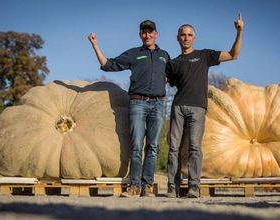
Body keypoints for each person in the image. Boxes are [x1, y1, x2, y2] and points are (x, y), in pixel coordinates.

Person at [88, 20, 170, 197]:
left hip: (158, 104)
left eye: (150, 32)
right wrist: (95, 45)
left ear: (156, 34)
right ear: (140, 35)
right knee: (136, 145)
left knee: (153, 146)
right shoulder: (134, 54)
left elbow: (171, 76)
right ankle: (134, 186)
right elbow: (108, 65)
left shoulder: (164, 55)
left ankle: (147, 186)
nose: (147, 35)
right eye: (143, 32)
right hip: (137, 103)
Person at [165, 13, 244, 198]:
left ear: (194, 38)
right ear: (178, 38)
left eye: (189, 35)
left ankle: (194, 187)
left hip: (198, 108)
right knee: (173, 149)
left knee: (194, 148)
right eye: (183, 35)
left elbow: (234, 55)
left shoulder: (204, 55)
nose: (186, 38)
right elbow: (160, 80)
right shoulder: (173, 63)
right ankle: (172, 188)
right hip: (178, 107)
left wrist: (239, 32)